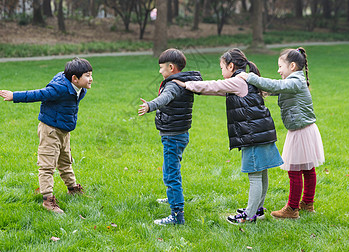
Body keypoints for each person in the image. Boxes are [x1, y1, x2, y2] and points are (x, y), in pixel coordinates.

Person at [173, 48, 283, 224]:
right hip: (261, 132)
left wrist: (188, 85)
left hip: (253, 136)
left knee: (255, 176)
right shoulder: (244, 79)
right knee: (262, 174)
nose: (221, 71)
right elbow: (217, 90)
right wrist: (196, 89)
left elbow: (215, 85)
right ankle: (257, 210)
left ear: (231, 66)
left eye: (222, 67)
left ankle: (249, 215)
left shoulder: (238, 81)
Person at [0, 58, 93, 214]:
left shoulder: (81, 88)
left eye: (90, 74)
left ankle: (73, 189)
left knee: (65, 161)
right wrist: (14, 96)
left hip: (63, 130)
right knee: (47, 165)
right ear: (74, 78)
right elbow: (38, 94)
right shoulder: (60, 89)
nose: (91, 79)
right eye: (87, 75)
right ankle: (48, 201)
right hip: (50, 130)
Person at [238, 47, 324, 219]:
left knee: (295, 170)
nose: (278, 70)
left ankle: (292, 209)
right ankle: (307, 203)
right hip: (305, 129)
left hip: (301, 130)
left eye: (280, 66)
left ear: (292, 66)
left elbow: (277, 85)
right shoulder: (295, 81)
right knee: (307, 169)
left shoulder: (295, 81)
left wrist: (250, 77)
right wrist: (260, 90)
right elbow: (275, 89)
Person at [138, 48, 202, 225]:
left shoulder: (173, 84)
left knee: (170, 174)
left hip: (173, 136)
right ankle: (172, 197)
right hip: (180, 133)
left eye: (161, 68)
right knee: (172, 168)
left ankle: (176, 215)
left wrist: (151, 105)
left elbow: (165, 98)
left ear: (171, 67)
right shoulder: (182, 81)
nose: (160, 71)